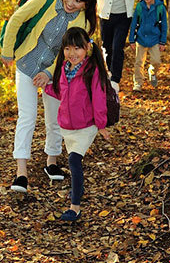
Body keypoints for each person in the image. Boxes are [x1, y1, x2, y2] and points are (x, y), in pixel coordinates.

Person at [1, 0, 97, 193]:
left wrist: (49, 72)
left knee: (54, 118)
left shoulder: (83, 21)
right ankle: (21, 173)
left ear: (86, 3)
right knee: (27, 116)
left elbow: (73, 53)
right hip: (26, 63)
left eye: (79, 0)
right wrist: (7, 51)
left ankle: (51, 162)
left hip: (54, 72)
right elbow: (16, 19)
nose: (71, 3)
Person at [45, 27, 111, 221]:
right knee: (74, 163)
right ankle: (78, 189)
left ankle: (75, 207)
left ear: (87, 48)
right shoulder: (64, 69)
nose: (72, 53)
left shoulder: (92, 70)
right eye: (67, 49)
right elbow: (60, 92)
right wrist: (46, 87)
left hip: (86, 126)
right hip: (67, 127)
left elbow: (99, 98)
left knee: (74, 161)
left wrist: (101, 125)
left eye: (77, 48)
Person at [129, 0, 167, 92]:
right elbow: (134, 23)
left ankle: (152, 72)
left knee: (156, 61)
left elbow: (164, 25)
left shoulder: (160, 8)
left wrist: (162, 42)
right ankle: (138, 83)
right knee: (139, 62)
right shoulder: (140, 7)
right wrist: (132, 39)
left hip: (155, 39)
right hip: (141, 39)